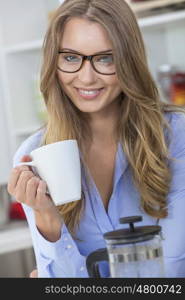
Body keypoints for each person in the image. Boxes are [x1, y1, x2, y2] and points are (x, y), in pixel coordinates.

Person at [7, 0, 185, 278]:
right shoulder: (34, 155)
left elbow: (170, 272)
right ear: (54, 61)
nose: (87, 78)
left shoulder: (176, 138)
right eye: (70, 57)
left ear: (128, 60)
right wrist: (47, 218)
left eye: (105, 58)